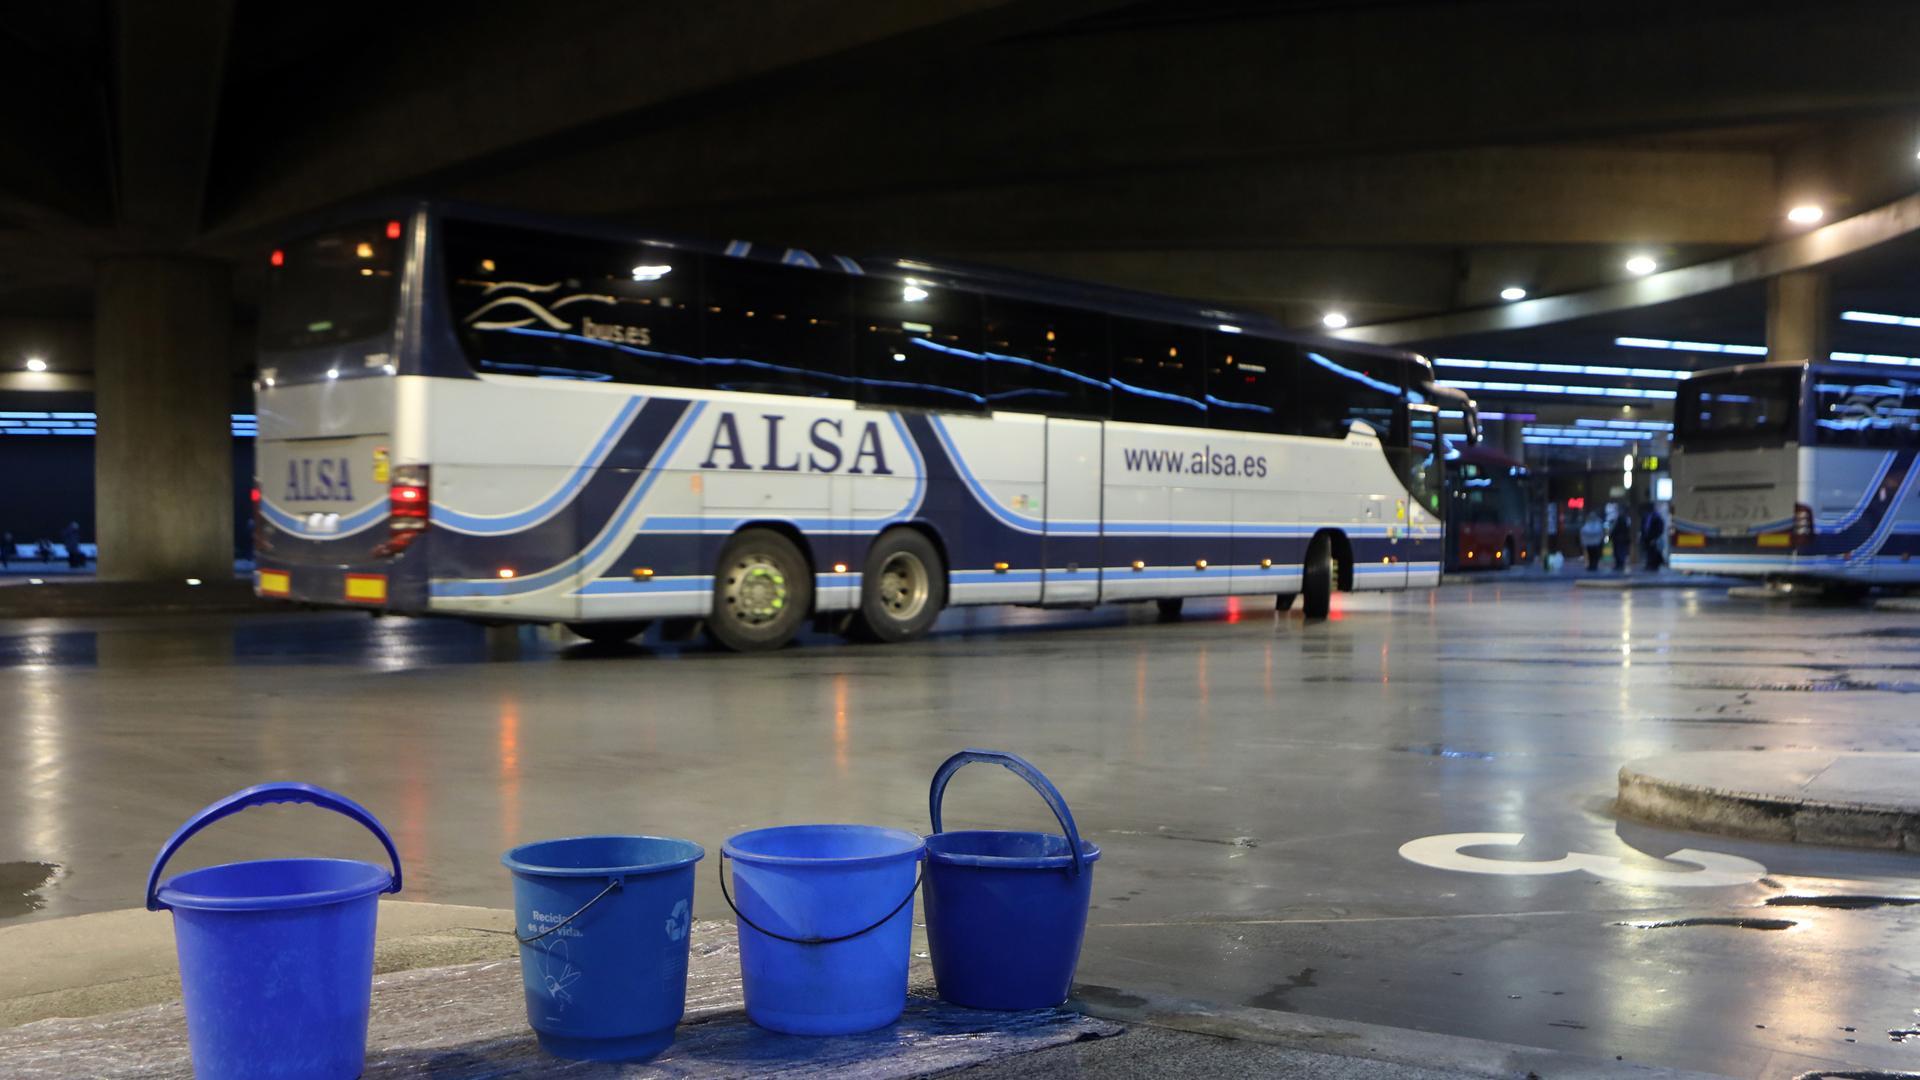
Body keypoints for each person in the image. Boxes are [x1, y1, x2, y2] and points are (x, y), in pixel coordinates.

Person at [1641, 506, 1665, 571]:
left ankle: (1653, 565)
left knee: (1653, 552)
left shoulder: (1656, 518)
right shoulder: (1647, 517)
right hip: (1648, 538)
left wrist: (1655, 537)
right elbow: (1644, 528)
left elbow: (1659, 529)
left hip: (1653, 537)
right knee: (1649, 551)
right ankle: (1650, 564)